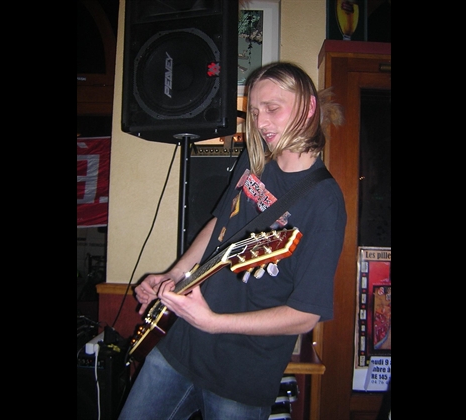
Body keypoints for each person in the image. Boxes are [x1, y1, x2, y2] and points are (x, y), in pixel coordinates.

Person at [118, 62, 347, 420]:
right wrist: (174, 274)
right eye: (254, 112)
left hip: (241, 375)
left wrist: (214, 322)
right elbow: (219, 224)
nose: (261, 122)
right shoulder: (255, 161)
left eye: (272, 108)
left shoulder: (324, 202)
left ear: (308, 107)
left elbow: (305, 315)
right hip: (182, 346)